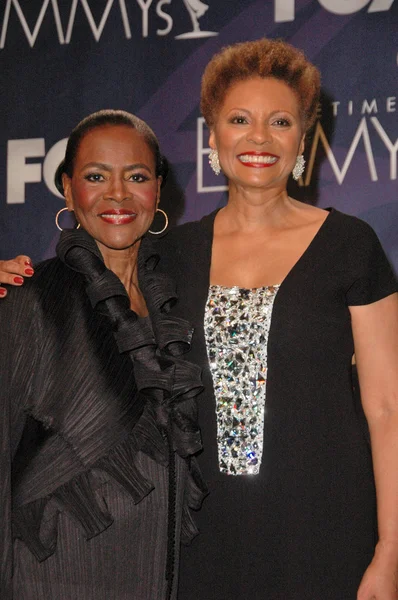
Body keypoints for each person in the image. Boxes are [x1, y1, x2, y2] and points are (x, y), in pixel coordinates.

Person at [1, 38, 398, 600]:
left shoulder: (351, 246)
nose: (258, 137)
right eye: (239, 119)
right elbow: (81, 290)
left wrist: (391, 551)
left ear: (303, 139)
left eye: (279, 121)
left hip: (328, 530)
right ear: (213, 137)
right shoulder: (166, 256)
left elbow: (388, 408)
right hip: (197, 542)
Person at [0, 109, 205, 600]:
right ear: (68, 190)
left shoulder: (179, 299)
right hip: (56, 571)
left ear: (158, 189)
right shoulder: (31, 298)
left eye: (136, 176)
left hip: (158, 572)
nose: (117, 194)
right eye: (96, 177)